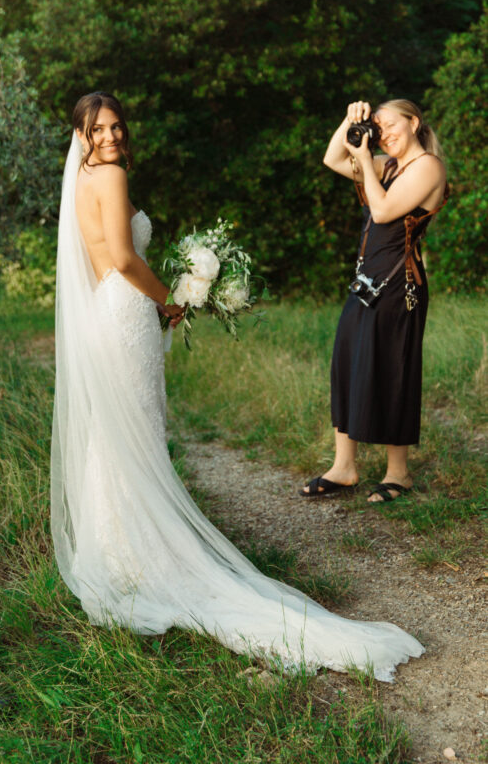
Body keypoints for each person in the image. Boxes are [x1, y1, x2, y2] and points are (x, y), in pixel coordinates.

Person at [51, 91, 424, 681]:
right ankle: (144, 553)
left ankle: (114, 549)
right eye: (100, 129)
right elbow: (123, 256)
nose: (113, 137)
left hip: (102, 313)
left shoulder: (80, 180)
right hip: (125, 310)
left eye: (118, 126)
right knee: (139, 431)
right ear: (82, 136)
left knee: (115, 434)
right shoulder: (112, 175)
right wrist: (169, 300)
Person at [302, 99, 447, 504]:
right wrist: (350, 121)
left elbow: (382, 211)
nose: (383, 134)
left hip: (400, 287)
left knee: (392, 369)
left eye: (389, 125)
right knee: (347, 364)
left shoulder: (428, 167)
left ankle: (398, 474)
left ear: (414, 122)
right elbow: (332, 158)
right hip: (366, 282)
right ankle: (344, 467)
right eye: (377, 128)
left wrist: (367, 159)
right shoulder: (388, 165)